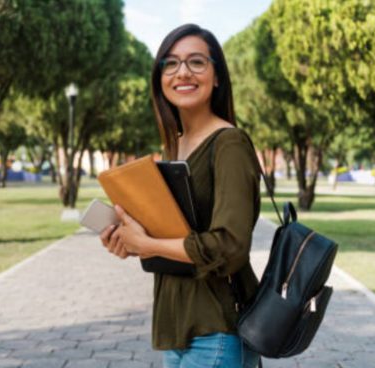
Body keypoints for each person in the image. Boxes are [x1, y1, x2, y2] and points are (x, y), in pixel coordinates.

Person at [100, 24, 262, 368]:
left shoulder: (229, 143)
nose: (182, 72)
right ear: (160, 77)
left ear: (217, 76)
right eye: (170, 63)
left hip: (215, 329)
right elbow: (179, 236)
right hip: (179, 327)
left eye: (196, 62)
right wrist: (131, 241)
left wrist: (151, 246)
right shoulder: (177, 146)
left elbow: (230, 247)